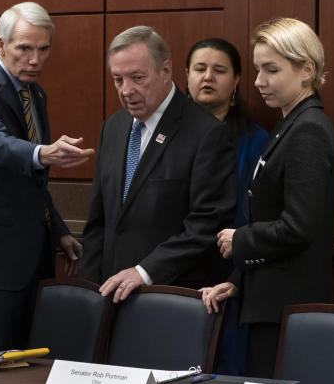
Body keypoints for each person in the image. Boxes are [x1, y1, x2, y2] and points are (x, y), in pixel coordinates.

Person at [0, 2, 92, 352]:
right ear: (0, 45)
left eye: (43, 49)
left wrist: (59, 231)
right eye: (24, 48)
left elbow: (30, 183)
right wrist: (42, 153)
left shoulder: (33, 93)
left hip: (31, 257)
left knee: (26, 366)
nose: (35, 59)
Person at [201, 18, 334, 378]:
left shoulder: (307, 129)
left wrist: (240, 239)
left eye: (271, 70)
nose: (259, 81)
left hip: (288, 306)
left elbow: (299, 226)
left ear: (307, 69)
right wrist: (239, 279)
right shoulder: (289, 124)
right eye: (259, 69)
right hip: (270, 298)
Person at [80, 26, 235, 301]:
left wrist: (144, 271)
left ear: (166, 71)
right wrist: (89, 290)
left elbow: (206, 223)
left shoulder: (206, 133)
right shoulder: (113, 127)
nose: (126, 90)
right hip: (108, 293)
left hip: (167, 296)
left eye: (137, 78)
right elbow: (98, 221)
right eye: (118, 79)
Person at [186, 38, 269, 374]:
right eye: (200, 69)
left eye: (219, 71)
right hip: (178, 270)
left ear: (236, 81)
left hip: (229, 273)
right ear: (185, 75)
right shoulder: (170, 136)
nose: (208, 77)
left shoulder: (257, 141)